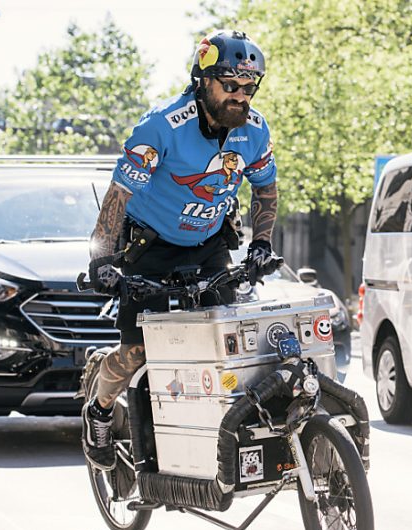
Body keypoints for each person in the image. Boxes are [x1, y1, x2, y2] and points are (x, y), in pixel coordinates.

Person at [82, 30, 280, 469]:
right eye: (229, 85)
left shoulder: (254, 131)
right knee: (138, 353)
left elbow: (265, 192)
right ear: (201, 81)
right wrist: (100, 260)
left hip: (208, 245)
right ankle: (97, 410)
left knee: (227, 345)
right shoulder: (161, 127)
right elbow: (117, 199)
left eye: (249, 87)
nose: (240, 96)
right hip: (149, 247)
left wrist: (262, 244)